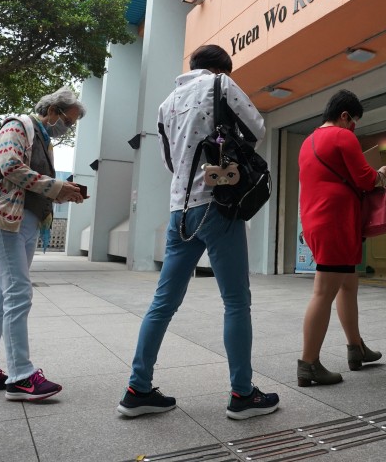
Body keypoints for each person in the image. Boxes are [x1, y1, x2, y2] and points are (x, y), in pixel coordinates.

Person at [119, 45, 279, 420]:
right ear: (222, 67)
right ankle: (242, 394)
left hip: (180, 211)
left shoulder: (166, 104)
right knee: (236, 301)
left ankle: (137, 389)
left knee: (163, 302)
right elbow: (257, 126)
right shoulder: (221, 84)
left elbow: (170, 161)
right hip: (218, 204)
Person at [0, 89, 86, 400]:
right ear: (54, 109)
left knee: (5, 294)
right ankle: (21, 376)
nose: (67, 128)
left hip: (27, 221)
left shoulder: (44, 140)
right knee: (17, 292)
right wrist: (57, 188)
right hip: (6, 219)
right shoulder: (17, 126)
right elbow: (11, 168)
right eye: (68, 121)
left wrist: (63, 190)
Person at [297, 90, 386, 385]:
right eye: (354, 122)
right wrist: (380, 173)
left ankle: (356, 348)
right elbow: (364, 178)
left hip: (316, 219)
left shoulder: (307, 141)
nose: (354, 128)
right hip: (335, 221)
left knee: (348, 284)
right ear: (344, 116)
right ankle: (308, 364)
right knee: (324, 291)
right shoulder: (343, 136)